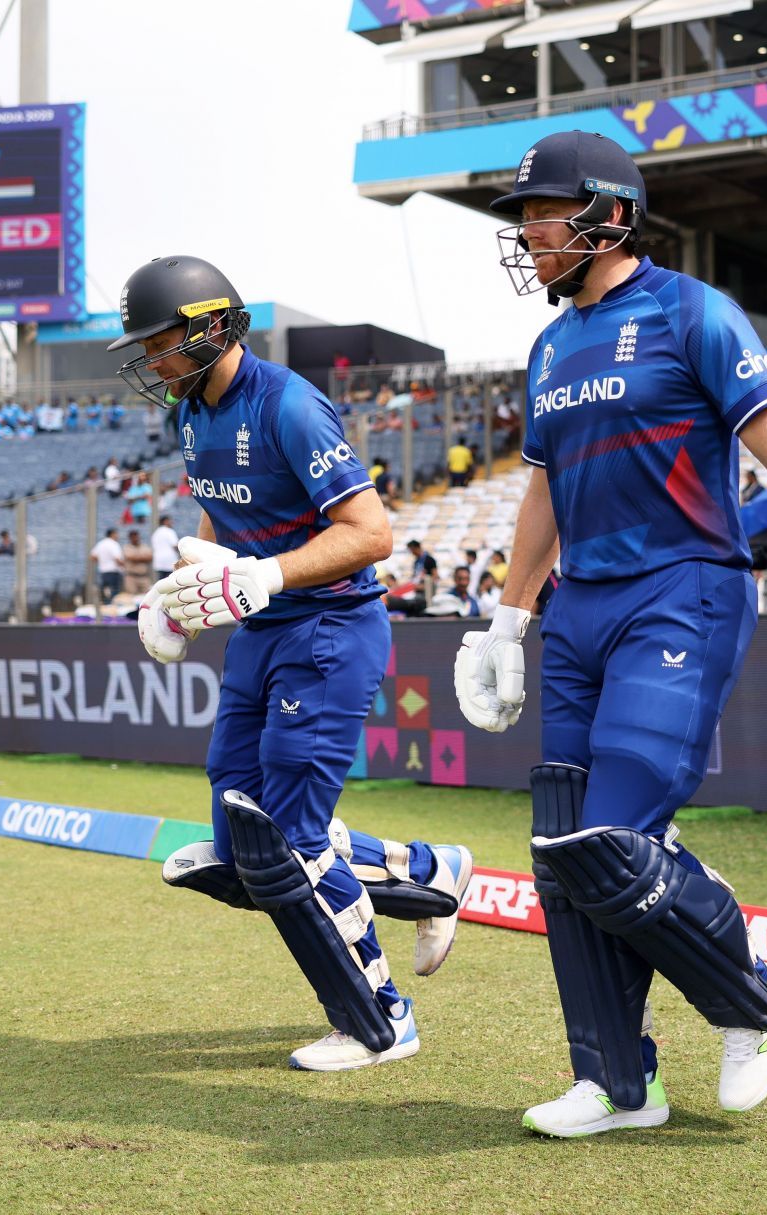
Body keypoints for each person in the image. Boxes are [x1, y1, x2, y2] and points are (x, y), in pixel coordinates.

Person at [462, 132, 767, 1137]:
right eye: (527, 216)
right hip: (577, 612)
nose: (530, 232)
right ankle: (619, 1086)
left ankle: (747, 996)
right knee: (559, 851)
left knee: (609, 841)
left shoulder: (693, 313)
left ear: (610, 215)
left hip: (682, 594)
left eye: (546, 212)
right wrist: (508, 614)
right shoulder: (549, 347)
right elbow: (542, 488)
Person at [111, 252, 474, 1073]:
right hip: (263, 630)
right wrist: (188, 588)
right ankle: (431, 872)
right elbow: (222, 518)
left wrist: (266, 573)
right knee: (242, 839)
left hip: (330, 628)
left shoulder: (289, 405)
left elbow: (370, 533)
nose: (151, 359)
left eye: (161, 340)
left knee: (291, 842)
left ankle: (381, 1020)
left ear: (210, 326)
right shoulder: (192, 412)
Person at [91, 527, 126, 601]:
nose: (118, 536)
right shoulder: (113, 544)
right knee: (114, 593)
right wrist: (126, 566)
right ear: (112, 534)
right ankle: (112, 608)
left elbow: (93, 556)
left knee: (106, 592)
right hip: (113, 571)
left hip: (104, 571)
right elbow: (117, 559)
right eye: (116, 534)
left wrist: (102, 561)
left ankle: (106, 605)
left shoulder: (101, 543)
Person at [122, 528, 155, 595]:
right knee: (131, 597)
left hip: (144, 577)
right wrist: (143, 557)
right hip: (131, 577)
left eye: (136, 536)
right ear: (130, 538)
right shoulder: (127, 547)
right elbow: (131, 558)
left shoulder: (144, 546)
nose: (135, 538)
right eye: (133, 537)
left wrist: (136, 557)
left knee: (147, 596)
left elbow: (150, 558)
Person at [150, 514, 180, 580]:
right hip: (169, 561)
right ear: (165, 521)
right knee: (170, 582)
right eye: (170, 521)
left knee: (161, 582)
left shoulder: (156, 533)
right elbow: (175, 546)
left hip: (158, 561)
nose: (171, 522)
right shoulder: (169, 531)